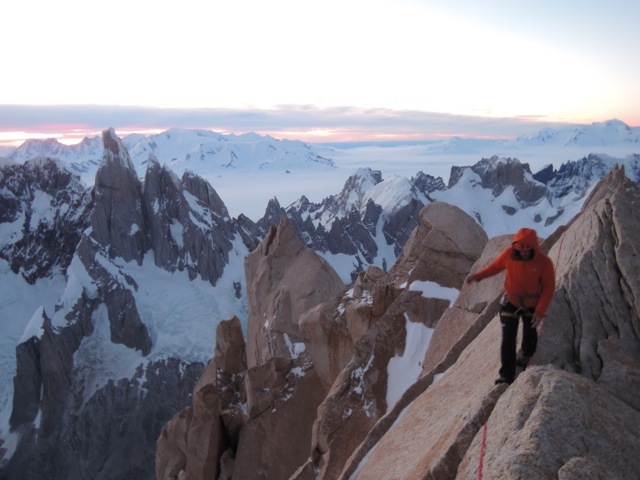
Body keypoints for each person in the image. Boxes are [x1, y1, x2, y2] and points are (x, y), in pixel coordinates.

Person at [466, 227, 555, 385]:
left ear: (533, 247)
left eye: (527, 250)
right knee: (508, 339)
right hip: (510, 303)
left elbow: (548, 287)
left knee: (530, 333)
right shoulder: (509, 254)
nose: (523, 253)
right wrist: (478, 276)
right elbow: (495, 267)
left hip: (531, 305)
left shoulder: (544, 263)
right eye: (521, 250)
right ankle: (506, 375)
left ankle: (526, 354)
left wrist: (540, 311)